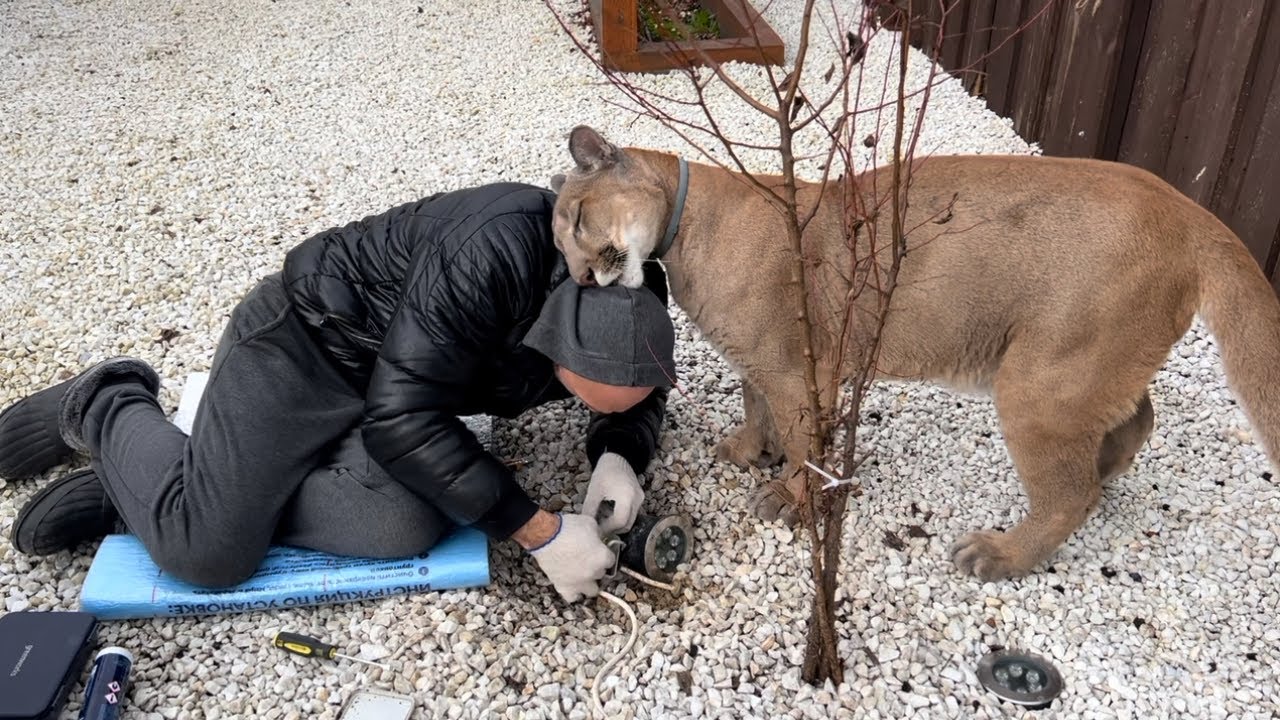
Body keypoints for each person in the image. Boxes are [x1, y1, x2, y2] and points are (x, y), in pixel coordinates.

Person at [0, 182, 676, 603]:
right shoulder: (490, 253)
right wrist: (541, 532)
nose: (577, 410)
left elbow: (639, 390)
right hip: (309, 347)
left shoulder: (630, 280)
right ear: (555, 343)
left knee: (406, 525)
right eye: (579, 399)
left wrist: (619, 452)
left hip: (395, 387)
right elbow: (404, 420)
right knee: (208, 554)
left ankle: (163, 488)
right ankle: (107, 402)